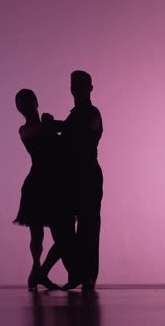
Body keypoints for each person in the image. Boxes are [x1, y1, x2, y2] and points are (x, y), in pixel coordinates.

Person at [53, 71, 104, 291]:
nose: (77, 88)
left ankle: (86, 276)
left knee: (88, 227)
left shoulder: (92, 113)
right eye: (74, 84)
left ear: (90, 88)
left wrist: (57, 126)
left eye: (82, 85)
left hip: (87, 176)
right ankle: (78, 273)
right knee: (65, 225)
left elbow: (82, 134)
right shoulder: (74, 116)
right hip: (72, 177)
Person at [13, 89, 63, 290]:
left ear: (35, 102)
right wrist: (50, 125)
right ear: (19, 109)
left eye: (28, 102)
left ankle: (40, 272)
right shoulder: (25, 130)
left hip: (50, 184)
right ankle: (38, 270)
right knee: (37, 236)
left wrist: (51, 125)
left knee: (62, 236)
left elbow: (60, 143)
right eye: (22, 105)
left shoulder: (42, 126)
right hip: (38, 185)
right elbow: (45, 135)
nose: (26, 107)